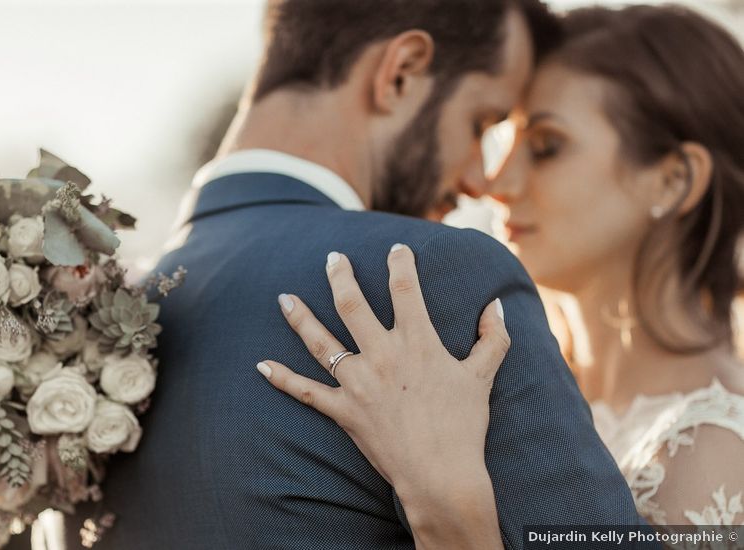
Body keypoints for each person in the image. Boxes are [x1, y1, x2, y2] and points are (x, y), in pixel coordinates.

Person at [65, 1, 649, 548]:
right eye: (481, 123)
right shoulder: (426, 282)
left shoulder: (83, 340)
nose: (479, 180)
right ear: (401, 71)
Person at [260, 3, 744, 537]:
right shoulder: (475, 382)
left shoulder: (718, 454)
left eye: (545, 147)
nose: (495, 183)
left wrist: (447, 509)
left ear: (672, 180)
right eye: (499, 139)